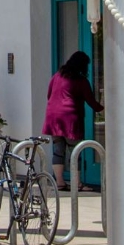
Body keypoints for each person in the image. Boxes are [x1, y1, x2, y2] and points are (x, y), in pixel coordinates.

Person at [43, 51, 103, 188]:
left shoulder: (57, 76)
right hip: (70, 119)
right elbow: (92, 102)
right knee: (75, 151)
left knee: (58, 150)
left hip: (53, 117)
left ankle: (59, 182)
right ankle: (77, 184)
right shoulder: (81, 81)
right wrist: (105, 109)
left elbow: (49, 94)